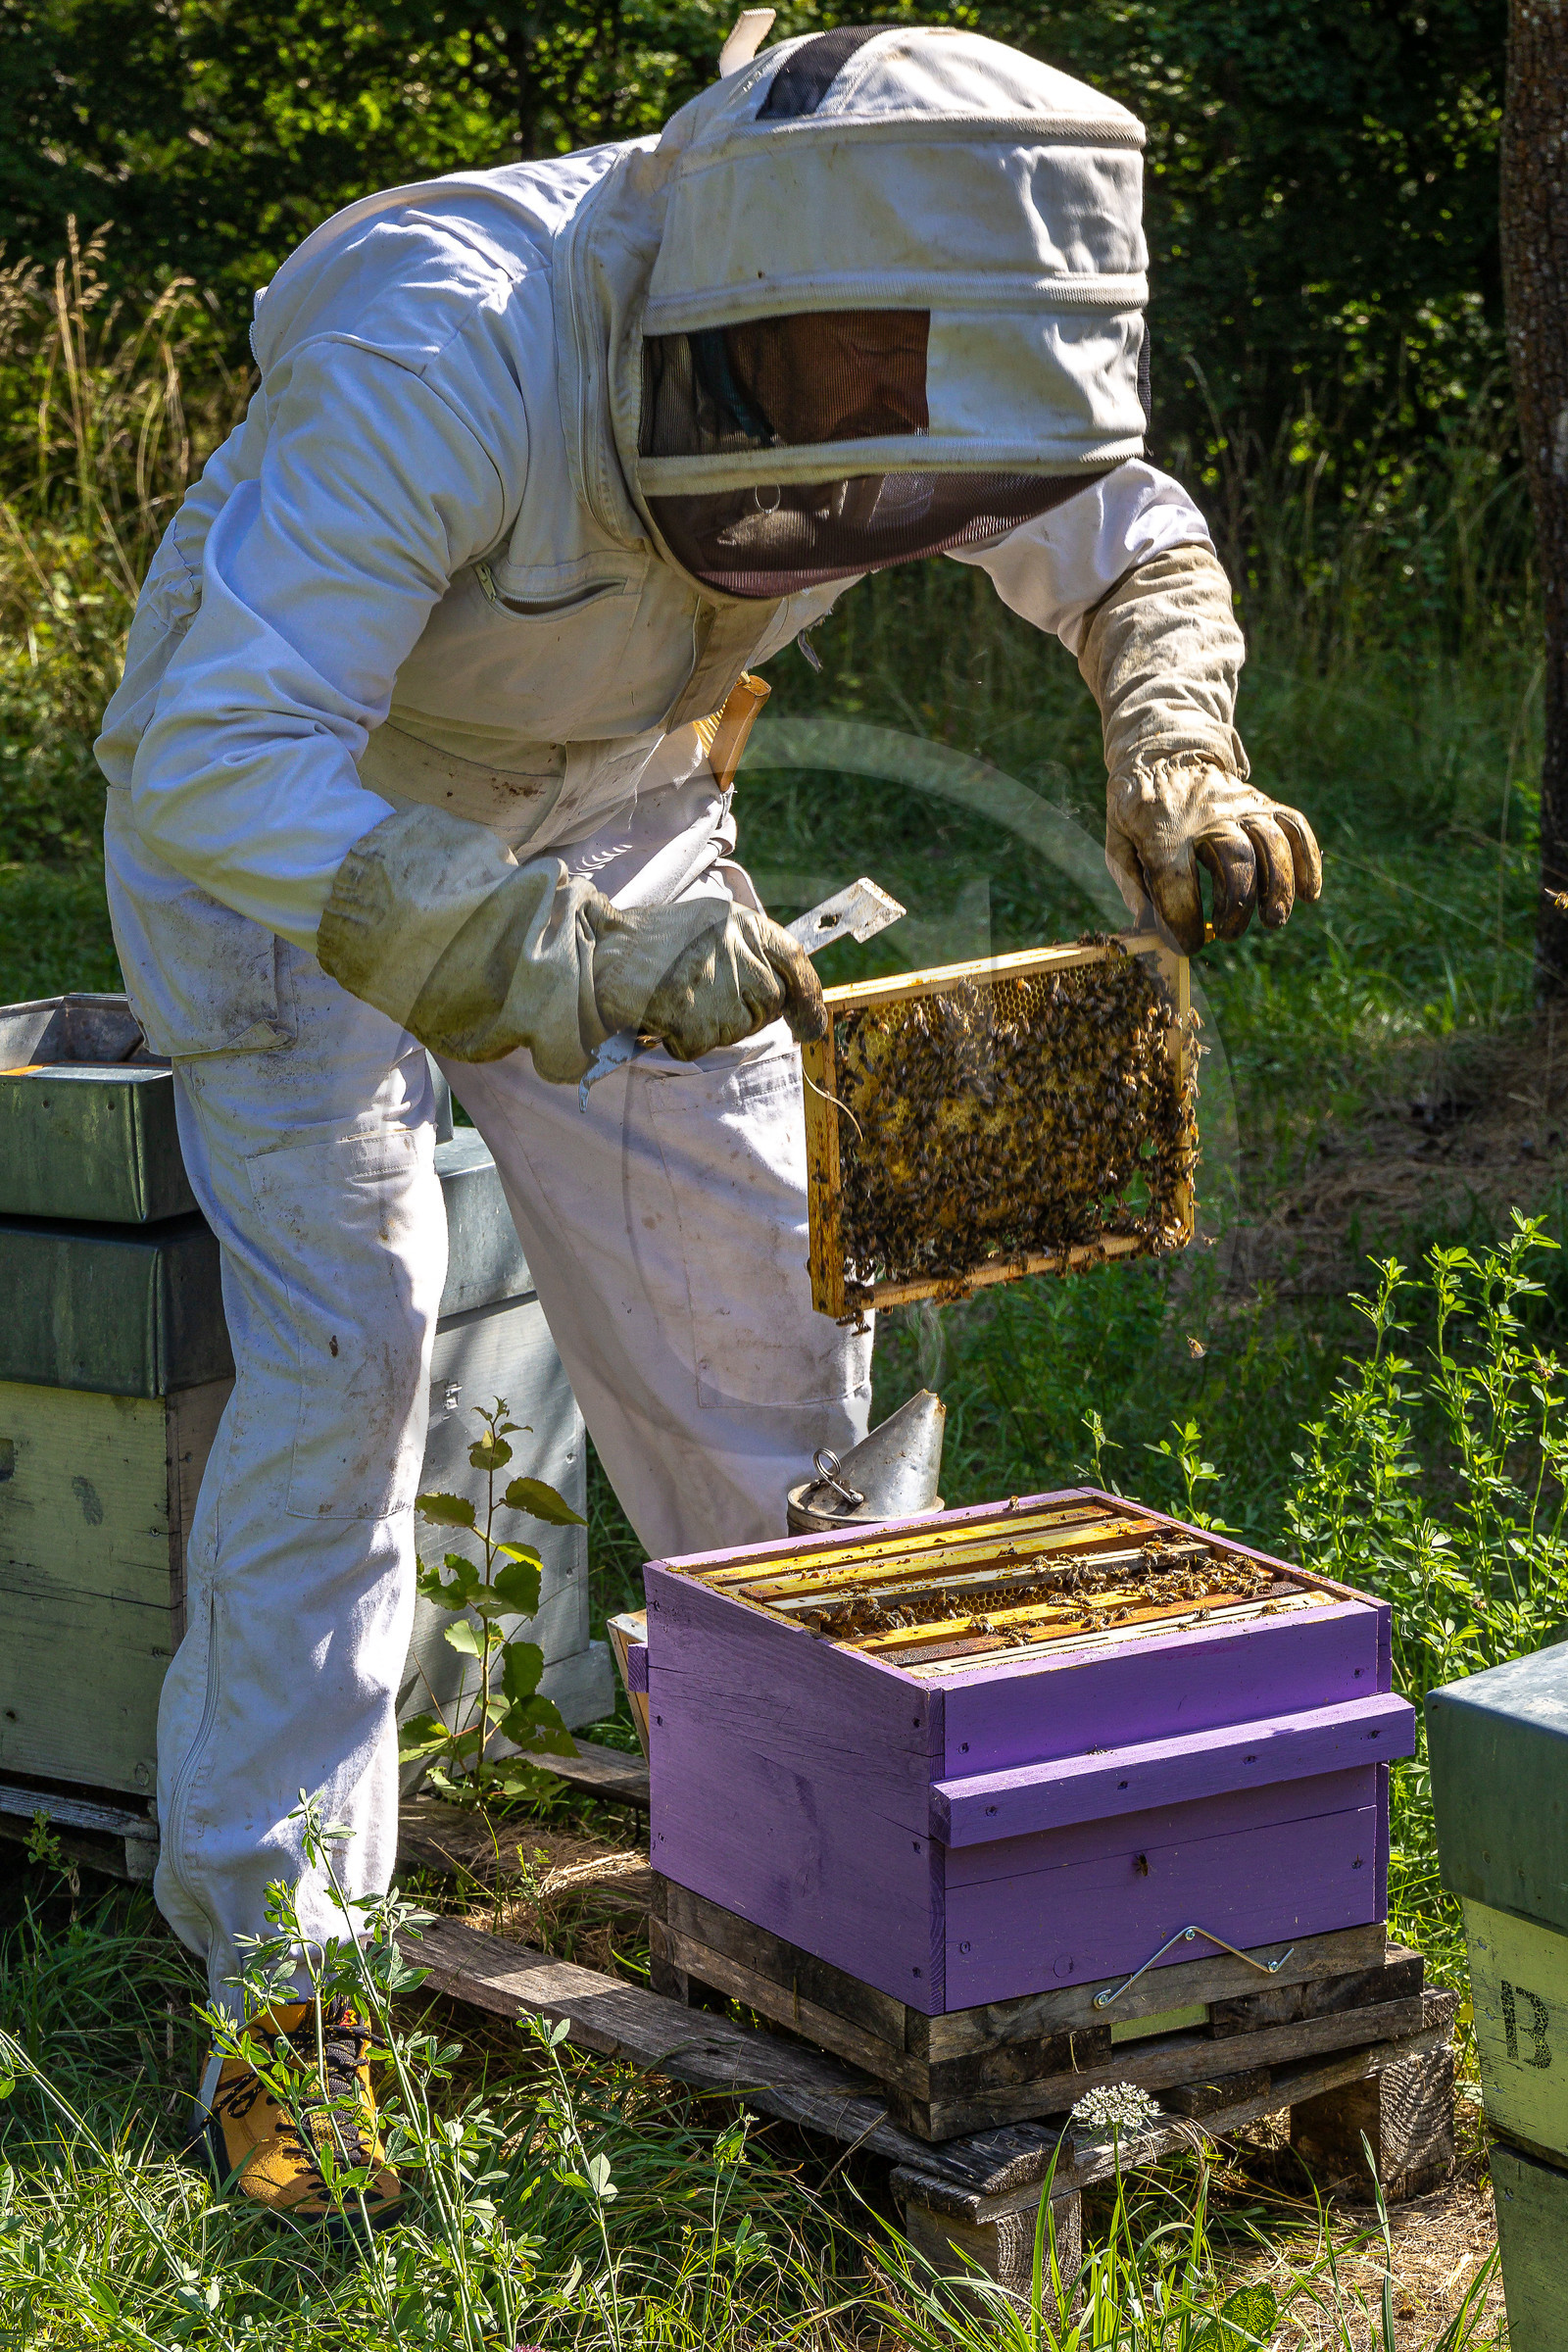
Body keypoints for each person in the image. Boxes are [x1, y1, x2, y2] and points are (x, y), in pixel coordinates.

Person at [96, 19, 1321, 2225]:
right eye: (856, 416)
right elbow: (214, 744)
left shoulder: (920, 325)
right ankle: (292, 1987)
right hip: (301, 839)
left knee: (758, 1344)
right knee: (351, 1365)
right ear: (738, 310)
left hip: (633, 809)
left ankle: (813, 1876)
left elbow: (1124, 526)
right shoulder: (447, 343)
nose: (886, 490)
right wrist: (544, 956)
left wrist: (1174, 744)